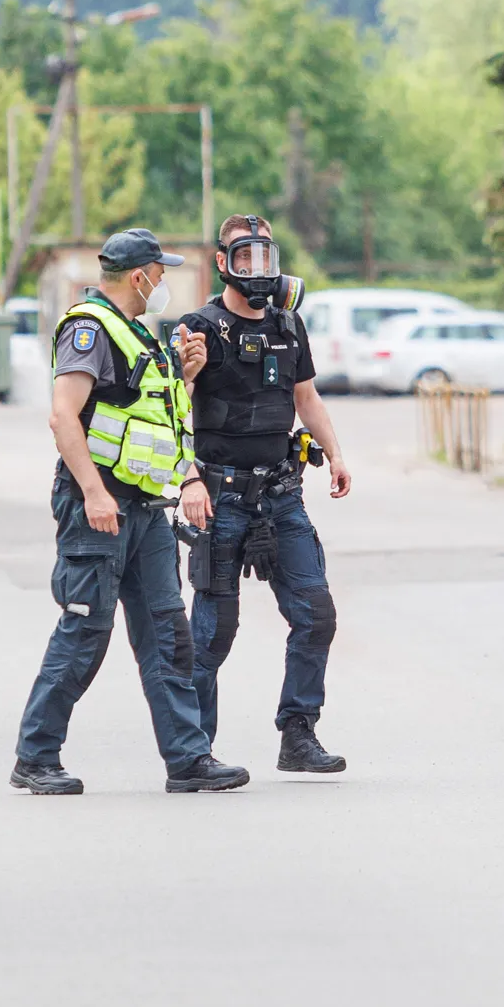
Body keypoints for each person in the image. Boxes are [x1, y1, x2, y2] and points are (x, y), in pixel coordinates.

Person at [10, 228, 251, 795]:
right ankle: (36, 757)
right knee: (85, 634)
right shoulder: (89, 330)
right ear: (140, 275)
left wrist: (186, 377)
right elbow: (63, 417)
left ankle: (188, 759)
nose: (164, 281)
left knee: (169, 636)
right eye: (161, 272)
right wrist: (94, 493)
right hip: (98, 507)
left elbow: (155, 421)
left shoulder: (138, 334)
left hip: (144, 511)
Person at [176, 214, 353, 773]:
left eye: (264, 258)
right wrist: (189, 478)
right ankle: (192, 752)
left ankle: (298, 736)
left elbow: (306, 397)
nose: (256, 269)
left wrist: (337, 455)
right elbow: (172, 409)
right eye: (244, 257)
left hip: (281, 494)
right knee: (212, 632)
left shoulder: (288, 324)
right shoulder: (199, 327)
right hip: (220, 498)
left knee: (315, 615)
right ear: (222, 263)